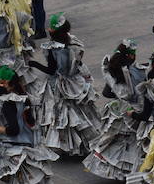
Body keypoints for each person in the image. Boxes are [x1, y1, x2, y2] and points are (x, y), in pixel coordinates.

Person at [25, 13, 99, 158]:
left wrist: (33, 64)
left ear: (53, 31)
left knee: (64, 115)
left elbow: (51, 70)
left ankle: (71, 146)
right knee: (82, 112)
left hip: (61, 85)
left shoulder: (52, 48)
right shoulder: (74, 42)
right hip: (77, 80)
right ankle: (87, 143)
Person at [84, 39, 147, 181]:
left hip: (119, 111)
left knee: (117, 141)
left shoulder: (113, 70)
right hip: (133, 111)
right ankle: (132, 173)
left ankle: (119, 173)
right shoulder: (135, 73)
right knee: (134, 143)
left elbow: (107, 93)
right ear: (131, 56)